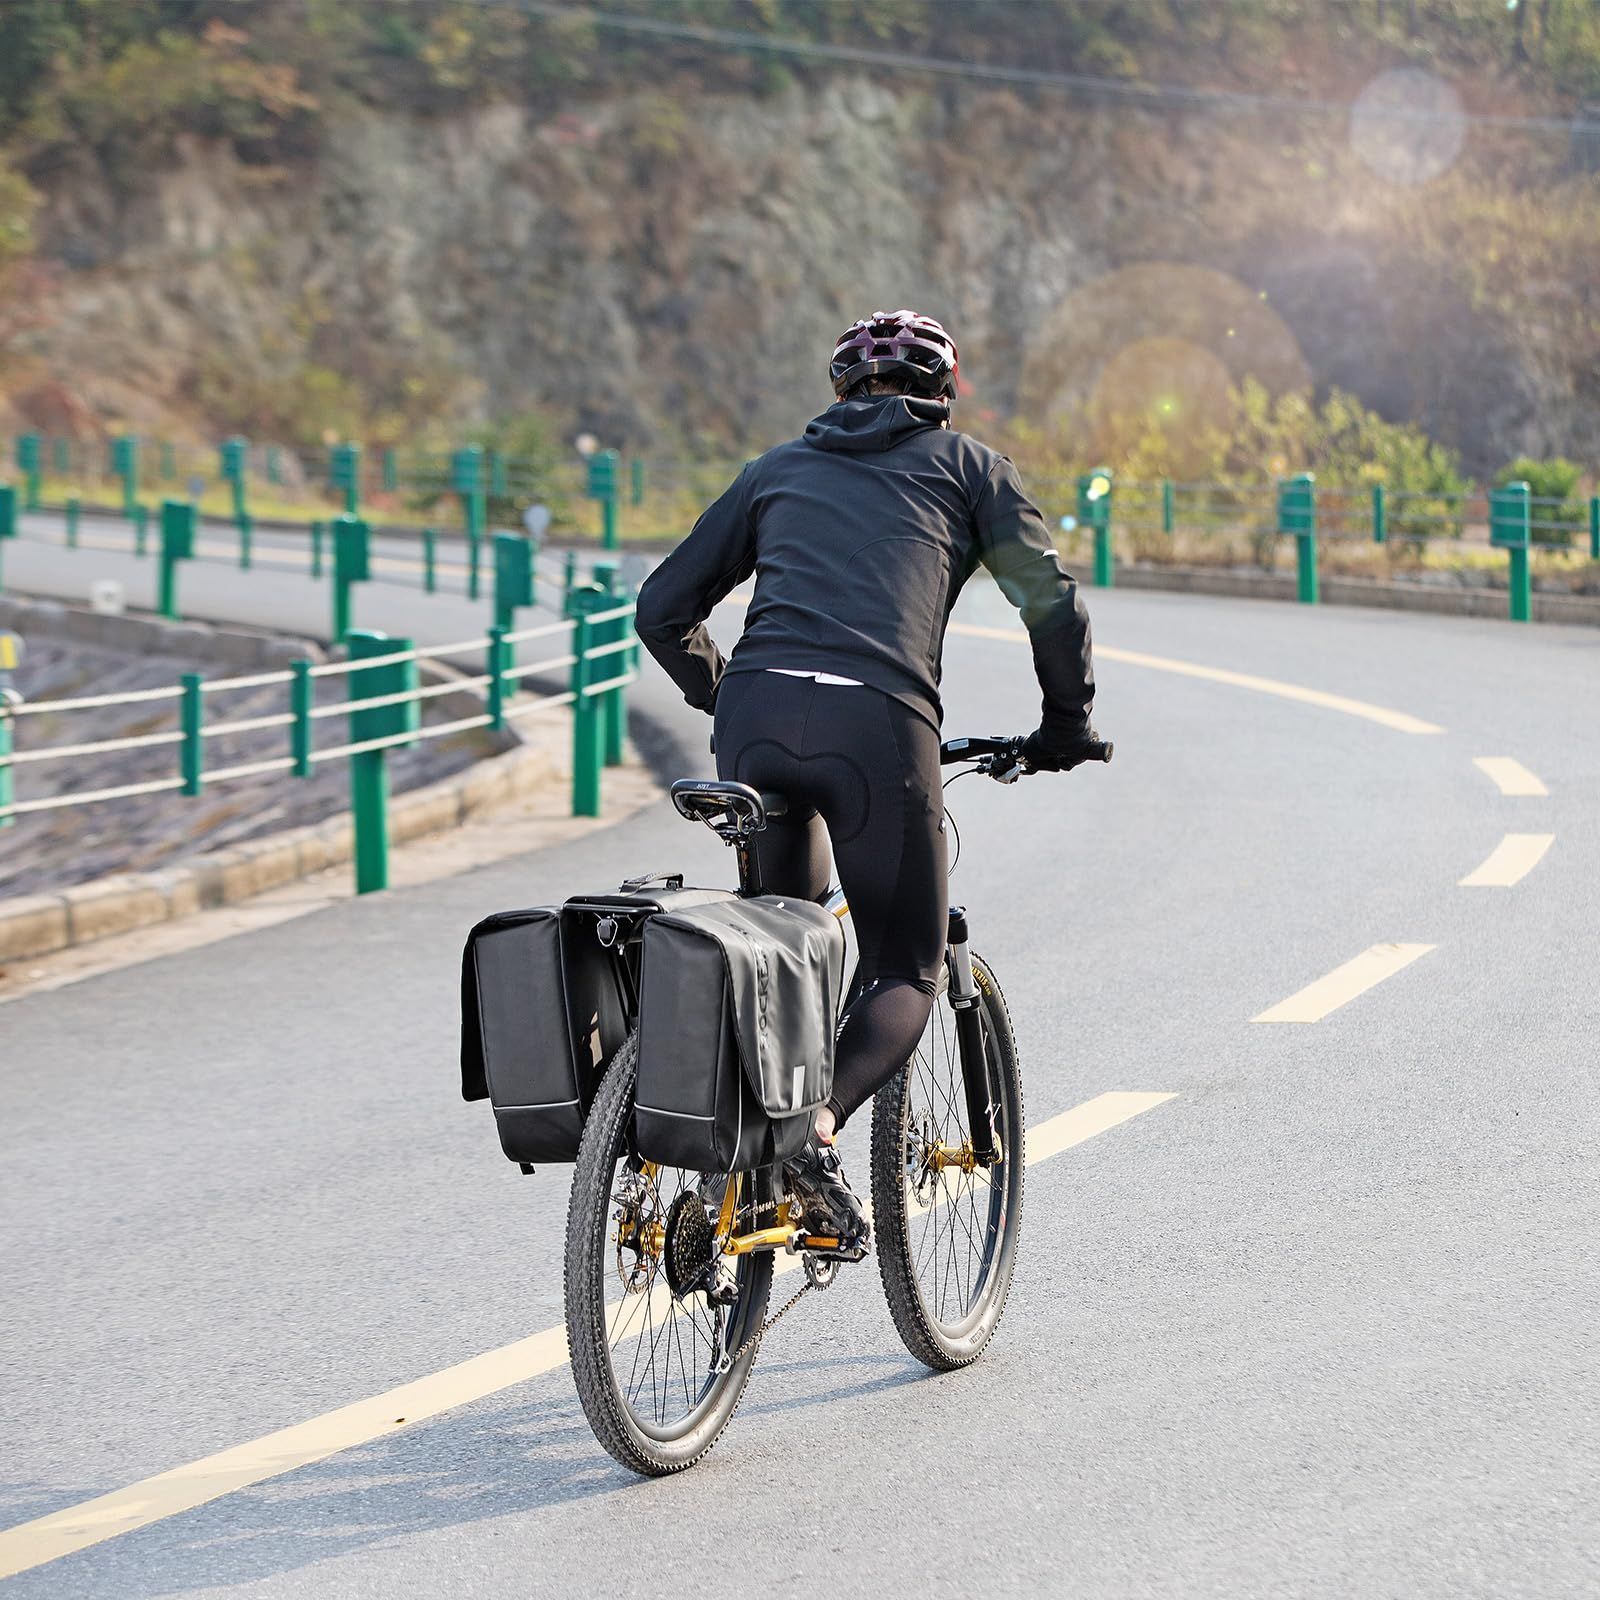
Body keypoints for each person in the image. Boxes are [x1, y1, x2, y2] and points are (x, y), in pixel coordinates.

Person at [635, 308, 1101, 1247]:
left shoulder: (777, 470)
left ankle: (749, 1162)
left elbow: (662, 607)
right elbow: (1049, 604)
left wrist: (725, 696)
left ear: (840, 391)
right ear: (943, 393)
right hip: (876, 726)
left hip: (756, 724)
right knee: (902, 964)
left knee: (789, 942)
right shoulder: (971, 471)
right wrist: (1064, 725)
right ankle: (813, 1128)